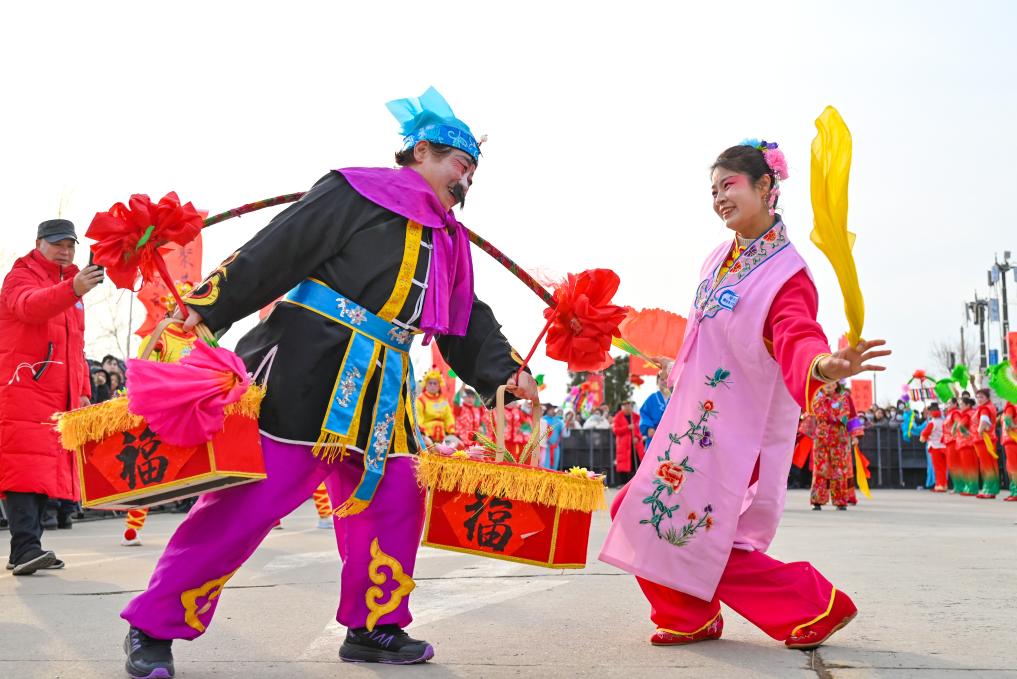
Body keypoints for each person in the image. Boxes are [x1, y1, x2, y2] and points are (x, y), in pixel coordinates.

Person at [118, 87, 537, 677]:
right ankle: (154, 625)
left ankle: (374, 627)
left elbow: (463, 317)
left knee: (394, 500)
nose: (465, 180)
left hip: (386, 391)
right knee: (248, 504)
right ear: (421, 152)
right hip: (306, 371)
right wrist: (209, 305)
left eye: (472, 171)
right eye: (458, 164)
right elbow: (277, 248)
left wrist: (507, 370)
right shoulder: (354, 191)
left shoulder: (449, 239)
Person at [600, 140, 890, 650]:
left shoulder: (786, 274)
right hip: (698, 424)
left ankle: (807, 603)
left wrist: (825, 364)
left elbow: (796, 333)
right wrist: (676, 365)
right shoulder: (719, 259)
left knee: (655, 514)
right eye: (713, 190)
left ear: (765, 186)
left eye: (728, 185)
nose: (718, 198)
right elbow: (712, 336)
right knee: (655, 515)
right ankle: (692, 613)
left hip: (740, 432)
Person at [0, 219, 102, 575]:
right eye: (58, 244)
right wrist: (72, 289)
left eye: (70, 245)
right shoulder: (20, 276)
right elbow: (30, 307)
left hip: (60, 394)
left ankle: (28, 548)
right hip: (23, 387)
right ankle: (25, 548)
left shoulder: (74, 290)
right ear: (39, 243)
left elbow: (77, 347)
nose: (65, 251)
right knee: (23, 468)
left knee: (46, 469)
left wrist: (84, 391)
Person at [807, 382, 856, 510]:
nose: (829, 384)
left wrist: (855, 435)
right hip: (821, 439)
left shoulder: (843, 398)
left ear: (836, 384)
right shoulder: (817, 398)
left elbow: (848, 416)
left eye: (832, 381)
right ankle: (817, 500)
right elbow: (812, 415)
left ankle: (840, 501)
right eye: (826, 382)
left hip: (839, 438)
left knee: (839, 469)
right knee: (820, 468)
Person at [415, 369, 456, 445]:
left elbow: (448, 417)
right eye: (430, 383)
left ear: (439, 385)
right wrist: (423, 434)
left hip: (443, 438)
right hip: (426, 437)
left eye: (435, 383)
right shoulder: (420, 400)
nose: (432, 386)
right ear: (425, 384)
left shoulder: (443, 400)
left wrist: (451, 431)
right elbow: (418, 418)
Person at [972, 388, 999, 499]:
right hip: (986, 439)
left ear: (987, 398)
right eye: (978, 397)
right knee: (987, 464)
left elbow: (984, 421)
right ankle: (989, 489)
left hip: (984, 440)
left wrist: (979, 430)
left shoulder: (985, 408)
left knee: (987, 465)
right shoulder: (988, 407)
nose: (979, 399)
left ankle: (989, 490)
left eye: (982, 397)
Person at [613, 401, 645, 483]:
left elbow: (640, 430)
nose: (628, 408)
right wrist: (627, 428)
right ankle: (624, 483)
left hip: (635, 445)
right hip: (624, 445)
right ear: (622, 408)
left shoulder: (636, 417)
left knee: (637, 463)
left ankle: (638, 482)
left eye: (629, 406)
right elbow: (616, 430)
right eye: (625, 406)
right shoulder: (617, 417)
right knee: (624, 465)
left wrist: (637, 437)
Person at [919, 403, 948, 492]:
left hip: (935, 446)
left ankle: (940, 485)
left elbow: (924, 434)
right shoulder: (944, 421)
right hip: (944, 445)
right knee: (943, 467)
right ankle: (944, 484)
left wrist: (923, 438)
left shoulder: (932, 422)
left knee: (938, 467)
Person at [639, 369, 671, 446]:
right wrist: (649, 427)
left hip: (673, 435)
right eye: (662, 379)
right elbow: (644, 413)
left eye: (667, 379)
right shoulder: (652, 398)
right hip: (655, 434)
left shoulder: (676, 397)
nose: (664, 381)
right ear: (657, 382)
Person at [999, 398, 1017, 501]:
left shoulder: (1010, 406)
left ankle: (1015, 492)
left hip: (1011, 439)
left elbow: (1008, 424)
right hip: (1012, 439)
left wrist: (1013, 425)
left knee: (1012, 467)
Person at [542, 404, 565, 470]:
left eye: (553, 409)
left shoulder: (558, 421)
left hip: (555, 447)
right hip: (546, 447)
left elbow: (564, 433)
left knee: (555, 466)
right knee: (546, 466)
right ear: (547, 410)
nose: (553, 411)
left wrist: (566, 424)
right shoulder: (543, 420)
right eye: (551, 409)